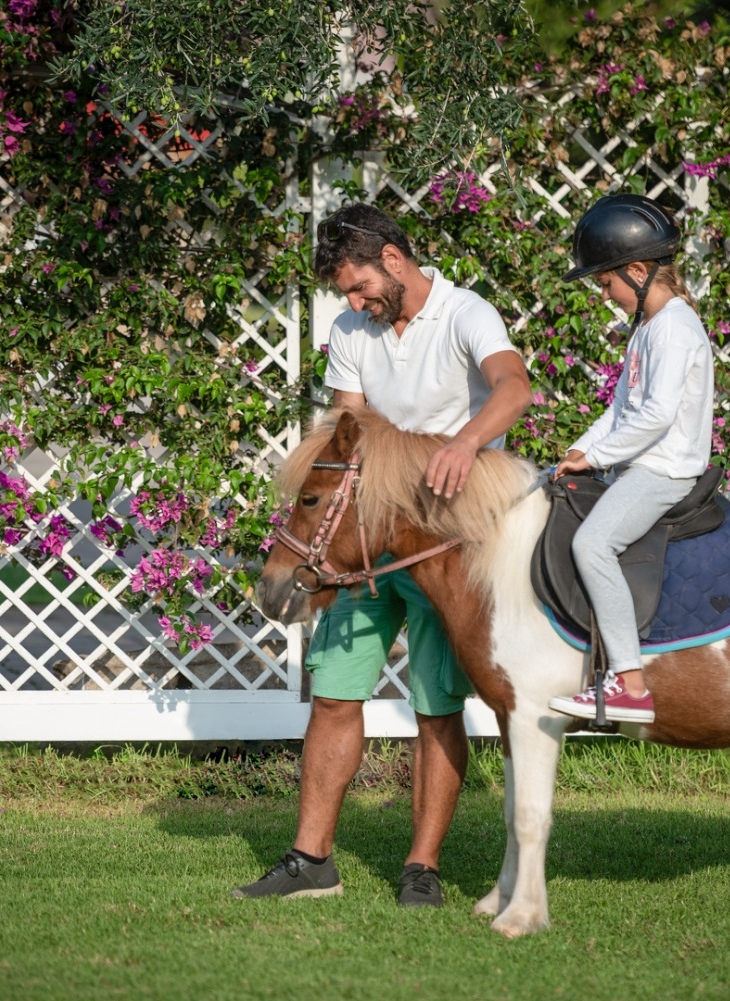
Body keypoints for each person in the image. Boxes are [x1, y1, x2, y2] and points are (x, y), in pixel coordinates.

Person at [233, 203, 532, 906]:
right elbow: (350, 430)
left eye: (360, 286)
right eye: (348, 293)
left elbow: (515, 388)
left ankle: (421, 868)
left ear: (393, 260)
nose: (355, 301)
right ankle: (312, 860)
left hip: (447, 537)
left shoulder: (467, 313)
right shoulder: (350, 331)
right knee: (334, 693)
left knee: (436, 704)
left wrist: (462, 442)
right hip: (364, 539)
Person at [545, 193, 714, 725]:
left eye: (607, 283)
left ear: (637, 271)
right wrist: (582, 450)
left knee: (593, 543)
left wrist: (597, 457)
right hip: (637, 464)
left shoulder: (676, 328)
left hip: (664, 471)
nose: (606, 294)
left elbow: (656, 417)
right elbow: (620, 409)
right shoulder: (646, 329)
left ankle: (630, 684)